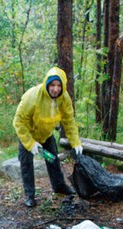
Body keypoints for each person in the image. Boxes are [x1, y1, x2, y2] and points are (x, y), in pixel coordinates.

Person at [13, 67, 83, 207]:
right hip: (28, 134)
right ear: (47, 84)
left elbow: (69, 121)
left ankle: (59, 187)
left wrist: (76, 142)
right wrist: (30, 143)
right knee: (26, 164)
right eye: (52, 85)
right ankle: (30, 196)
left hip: (46, 134)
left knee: (53, 160)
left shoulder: (64, 98)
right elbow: (18, 121)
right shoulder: (33, 96)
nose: (55, 89)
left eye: (58, 85)